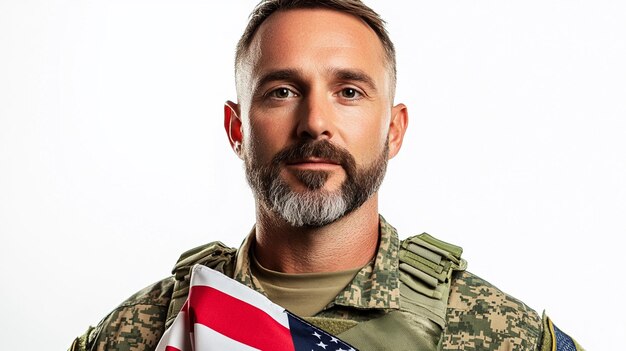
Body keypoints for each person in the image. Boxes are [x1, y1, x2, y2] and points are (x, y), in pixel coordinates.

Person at [69, 1, 583, 350]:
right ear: (236, 128)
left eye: (349, 92)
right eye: (282, 91)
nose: (315, 122)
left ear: (394, 130)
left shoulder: (501, 333)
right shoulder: (144, 332)